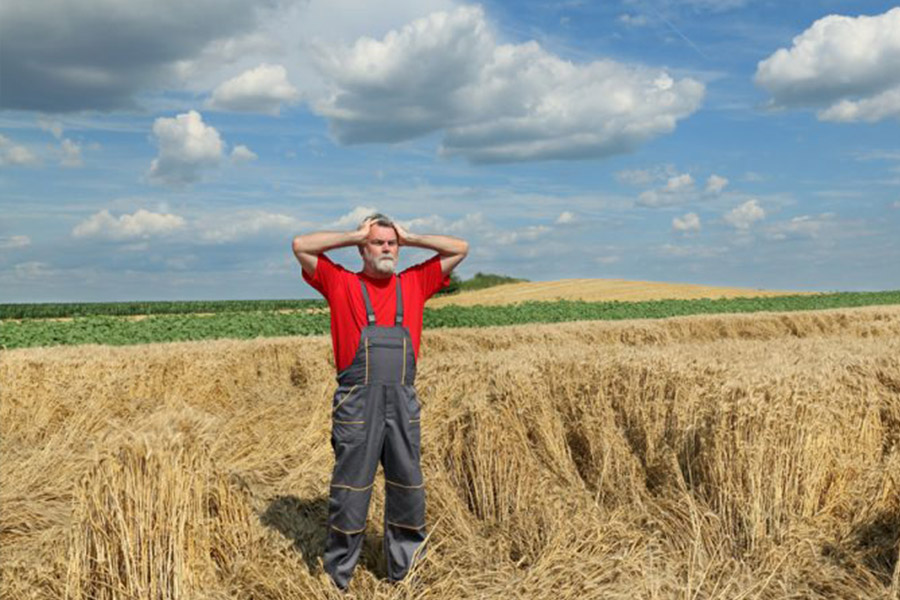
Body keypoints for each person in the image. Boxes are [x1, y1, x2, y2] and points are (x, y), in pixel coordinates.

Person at [291, 213, 468, 591]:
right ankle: (338, 577)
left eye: (391, 243)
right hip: (358, 403)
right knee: (351, 491)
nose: (386, 248)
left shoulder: (415, 282)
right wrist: (355, 233)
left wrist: (411, 236)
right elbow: (300, 245)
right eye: (377, 242)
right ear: (362, 248)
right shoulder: (341, 282)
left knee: (408, 488)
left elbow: (460, 248)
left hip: (403, 402)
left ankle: (406, 573)